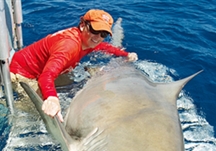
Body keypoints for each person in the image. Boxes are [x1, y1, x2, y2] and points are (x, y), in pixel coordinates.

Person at [10, 9, 138, 122]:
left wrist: (125, 54)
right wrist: (51, 98)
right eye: (95, 30)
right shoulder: (69, 45)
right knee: (35, 113)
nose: (98, 37)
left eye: (103, 34)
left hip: (44, 69)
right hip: (23, 73)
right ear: (83, 25)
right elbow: (47, 75)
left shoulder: (88, 40)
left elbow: (103, 46)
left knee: (71, 89)